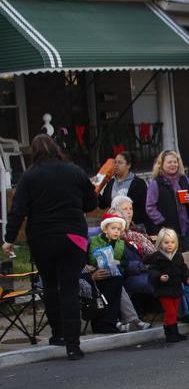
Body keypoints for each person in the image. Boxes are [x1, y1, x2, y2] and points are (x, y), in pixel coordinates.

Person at [1, 134, 97, 360]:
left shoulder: (29, 176)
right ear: (56, 149)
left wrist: (9, 238)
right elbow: (91, 203)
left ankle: (58, 333)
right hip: (73, 236)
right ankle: (73, 345)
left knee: (51, 286)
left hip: (42, 238)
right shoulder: (74, 171)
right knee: (70, 288)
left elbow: (18, 210)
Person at [109, 195, 189, 327]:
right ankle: (185, 315)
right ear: (115, 213)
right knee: (173, 278)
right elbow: (121, 263)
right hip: (137, 273)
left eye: (131, 208)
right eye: (125, 209)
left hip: (155, 266)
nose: (129, 212)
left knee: (188, 277)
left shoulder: (137, 232)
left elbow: (154, 251)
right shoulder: (115, 236)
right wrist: (144, 266)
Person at [88, 212, 149, 332]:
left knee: (118, 285)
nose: (116, 231)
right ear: (105, 229)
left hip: (116, 276)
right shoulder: (95, 241)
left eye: (118, 229)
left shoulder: (121, 244)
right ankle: (133, 320)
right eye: (113, 228)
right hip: (98, 275)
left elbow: (125, 262)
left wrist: (119, 263)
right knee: (118, 285)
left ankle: (121, 321)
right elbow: (91, 259)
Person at [145, 228, 189, 343]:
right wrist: (159, 277)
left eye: (172, 242)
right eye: (166, 242)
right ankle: (170, 334)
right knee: (170, 311)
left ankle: (174, 332)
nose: (169, 245)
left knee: (174, 312)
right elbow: (152, 271)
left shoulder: (177, 256)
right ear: (160, 243)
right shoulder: (157, 257)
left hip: (176, 288)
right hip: (163, 290)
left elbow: (183, 269)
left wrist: (187, 277)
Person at [145, 150, 189, 254]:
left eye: (175, 162)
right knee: (172, 259)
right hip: (168, 231)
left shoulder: (183, 178)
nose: (173, 164)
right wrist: (162, 222)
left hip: (184, 228)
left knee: (188, 257)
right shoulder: (156, 183)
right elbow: (150, 207)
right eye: (169, 162)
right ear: (161, 164)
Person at [98, 151, 152, 230]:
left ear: (128, 165)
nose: (116, 165)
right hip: (115, 227)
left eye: (120, 163)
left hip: (134, 226)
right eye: (115, 162)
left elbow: (144, 208)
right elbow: (102, 204)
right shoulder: (111, 183)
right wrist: (96, 189)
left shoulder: (138, 183)